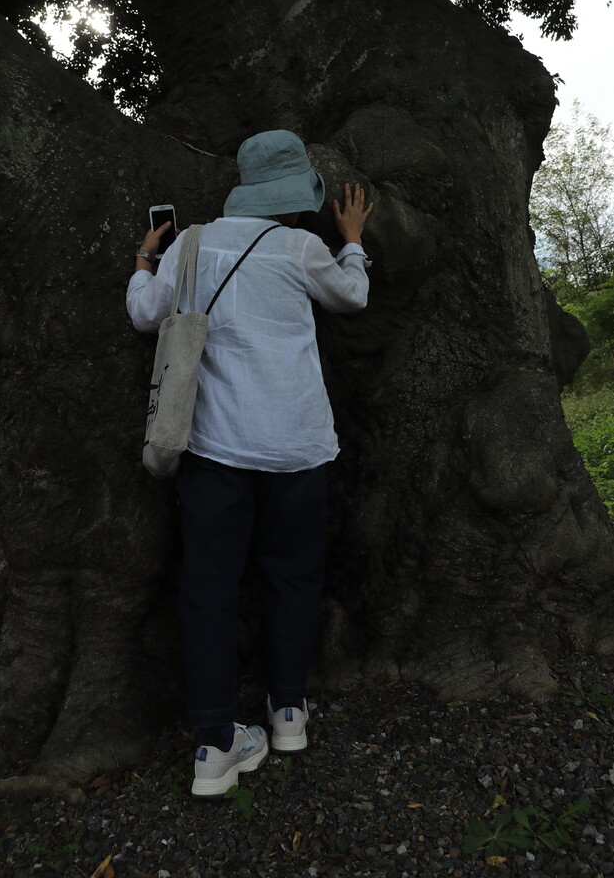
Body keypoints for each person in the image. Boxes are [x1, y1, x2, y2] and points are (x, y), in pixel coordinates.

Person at [126, 129, 373, 798]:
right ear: (292, 195)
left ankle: (213, 743)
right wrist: (352, 239)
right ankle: (287, 712)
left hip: (216, 449)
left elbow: (146, 316)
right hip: (297, 448)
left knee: (209, 588)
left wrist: (147, 258)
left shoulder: (193, 242)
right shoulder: (301, 246)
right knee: (292, 577)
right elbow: (354, 297)